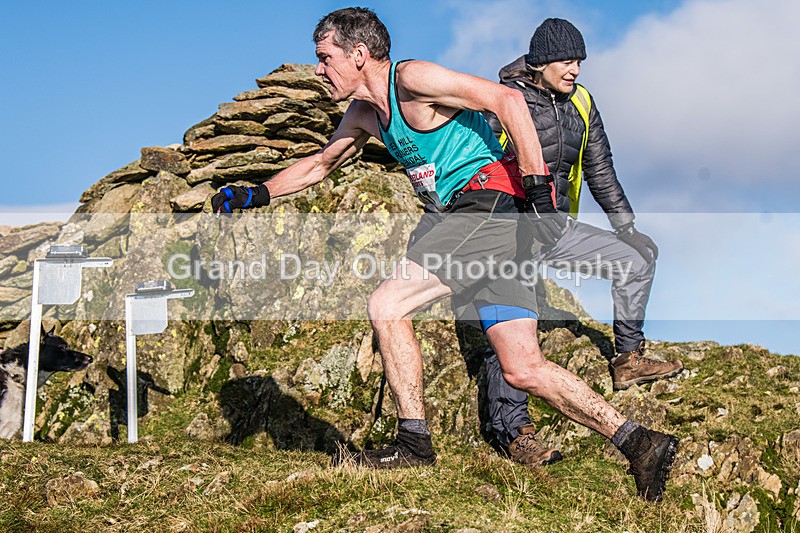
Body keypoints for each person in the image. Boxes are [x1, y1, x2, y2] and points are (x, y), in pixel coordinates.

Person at [210, 7, 678, 502]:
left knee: (387, 305)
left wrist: (540, 187)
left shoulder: (413, 78)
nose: (319, 69)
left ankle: (413, 442)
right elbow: (321, 164)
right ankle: (640, 442)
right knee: (523, 368)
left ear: (360, 54)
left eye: (325, 58)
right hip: (490, 223)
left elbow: (507, 101)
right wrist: (257, 193)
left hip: (489, 204)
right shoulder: (364, 113)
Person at [480, 18, 685, 468]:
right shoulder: (503, 102)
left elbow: (600, 168)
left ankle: (628, 359)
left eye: (580, 62)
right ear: (541, 62)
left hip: (556, 228)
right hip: (509, 232)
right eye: (567, 61)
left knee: (634, 259)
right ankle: (514, 433)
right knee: (516, 330)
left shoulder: (584, 102)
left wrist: (626, 227)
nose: (575, 70)